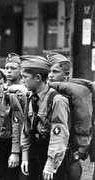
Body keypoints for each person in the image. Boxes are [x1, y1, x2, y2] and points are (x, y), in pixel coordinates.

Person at [20, 55, 70, 180]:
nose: (22, 81)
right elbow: (26, 129)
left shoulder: (57, 100)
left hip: (50, 152)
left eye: (25, 77)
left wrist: (50, 164)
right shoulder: (30, 97)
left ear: (37, 78)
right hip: (34, 150)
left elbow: (59, 135)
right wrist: (25, 156)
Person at [47, 52, 85, 180]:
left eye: (55, 72)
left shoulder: (71, 94)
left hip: (68, 145)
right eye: (49, 71)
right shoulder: (49, 90)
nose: (50, 75)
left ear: (66, 75)